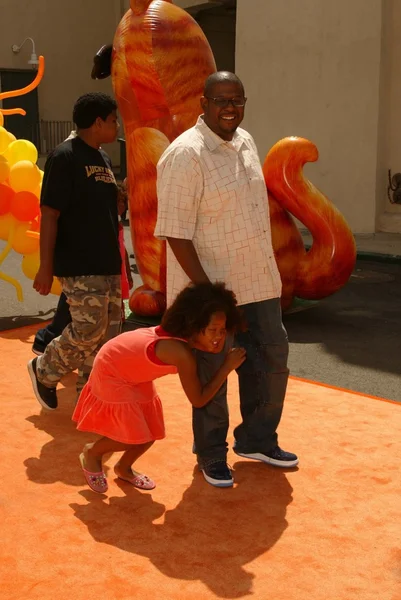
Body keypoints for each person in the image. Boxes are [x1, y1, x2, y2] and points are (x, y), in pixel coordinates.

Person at [154, 71, 298, 488]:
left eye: (236, 100)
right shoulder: (186, 155)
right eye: (220, 100)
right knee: (213, 375)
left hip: (258, 286)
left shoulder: (246, 142)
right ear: (203, 103)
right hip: (212, 294)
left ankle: (257, 440)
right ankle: (212, 455)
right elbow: (176, 233)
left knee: (271, 362)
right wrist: (210, 298)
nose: (230, 107)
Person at [73, 282, 246, 493]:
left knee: (151, 430)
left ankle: (124, 468)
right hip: (112, 371)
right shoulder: (180, 353)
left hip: (132, 373)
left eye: (223, 330)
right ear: (193, 326)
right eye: (213, 330)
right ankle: (92, 452)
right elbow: (198, 399)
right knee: (130, 434)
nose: (220, 337)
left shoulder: (185, 340)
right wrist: (226, 367)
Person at [27, 92, 122, 410]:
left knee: (107, 330)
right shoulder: (64, 156)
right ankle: (44, 370)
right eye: (112, 120)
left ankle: (89, 394)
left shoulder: (104, 160)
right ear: (97, 122)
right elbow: (50, 213)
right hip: (80, 262)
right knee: (87, 328)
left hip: (106, 262)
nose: (116, 126)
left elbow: (104, 210)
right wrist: (45, 266)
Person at [32, 180, 132, 353]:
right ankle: (45, 345)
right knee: (76, 318)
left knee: (103, 319)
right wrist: (45, 267)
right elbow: (50, 216)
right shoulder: (97, 221)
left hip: (109, 272)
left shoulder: (115, 224)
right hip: (85, 273)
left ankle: (98, 358)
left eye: (124, 203)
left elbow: (121, 248)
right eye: (119, 203)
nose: (122, 207)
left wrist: (127, 272)